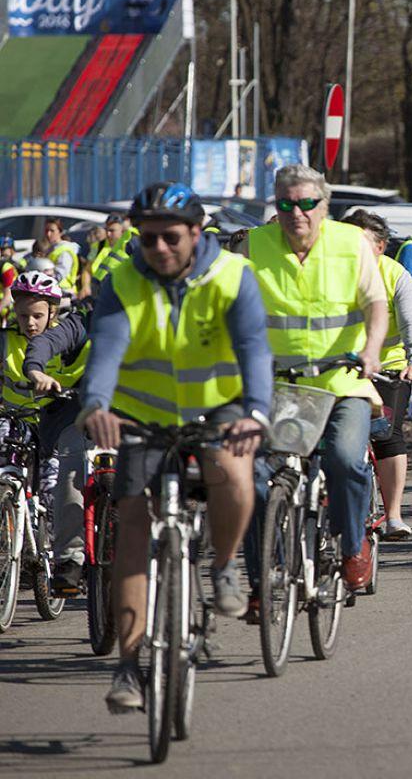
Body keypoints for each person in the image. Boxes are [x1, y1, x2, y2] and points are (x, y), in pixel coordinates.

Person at [79, 182, 271, 712]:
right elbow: (107, 351)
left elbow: (255, 348)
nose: (158, 248)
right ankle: (127, 667)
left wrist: (256, 412)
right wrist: (96, 406)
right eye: (146, 239)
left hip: (221, 408)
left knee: (233, 473)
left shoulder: (233, 276)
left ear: (195, 233)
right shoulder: (124, 280)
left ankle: (226, 565)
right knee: (133, 527)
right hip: (143, 414)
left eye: (169, 237)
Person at [241, 164, 387, 593]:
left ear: (325, 206)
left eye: (308, 203)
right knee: (253, 478)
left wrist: (372, 350)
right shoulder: (255, 245)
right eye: (286, 204)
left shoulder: (351, 243)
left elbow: (376, 304)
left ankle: (352, 542)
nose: (297, 213)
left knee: (344, 459)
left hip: (343, 383)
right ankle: (264, 580)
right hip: (281, 387)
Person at [0, 273, 88, 593]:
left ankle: (60, 553)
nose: (30, 323)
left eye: (37, 316)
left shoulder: (69, 341)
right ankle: (12, 546)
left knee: (54, 487)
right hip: (12, 420)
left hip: (54, 423)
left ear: (53, 313)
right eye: (23, 316)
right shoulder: (6, 340)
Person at [342, 209, 412, 540]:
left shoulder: (396, 275)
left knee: (387, 435)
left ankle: (393, 516)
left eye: (362, 242)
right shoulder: (335, 273)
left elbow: (410, 324)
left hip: (389, 368)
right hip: (342, 367)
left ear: (381, 246)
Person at [79, 214, 133, 299]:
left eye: (112, 231)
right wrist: (85, 287)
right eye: (106, 230)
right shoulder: (98, 246)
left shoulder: (129, 247)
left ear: (122, 231)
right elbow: (87, 270)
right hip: (96, 292)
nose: (108, 234)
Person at [31, 218, 80, 296]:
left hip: (64, 293)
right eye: (46, 230)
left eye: (52, 231)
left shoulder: (65, 251)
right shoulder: (51, 248)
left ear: (60, 232)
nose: (48, 234)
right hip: (53, 291)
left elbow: (59, 275)